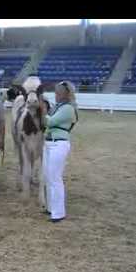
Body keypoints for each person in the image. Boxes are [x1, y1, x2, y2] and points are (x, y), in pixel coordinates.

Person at [40, 81, 79, 223]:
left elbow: (49, 122)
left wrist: (44, 112)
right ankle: (51, 207)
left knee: (55, 178)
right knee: (48, 176)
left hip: (59, 144)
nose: (56, 95)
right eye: (55, 92)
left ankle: (58, 212)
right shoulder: (58, 106)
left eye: (58, 93)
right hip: (50, 143)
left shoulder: (68, 108)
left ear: (66, 94)